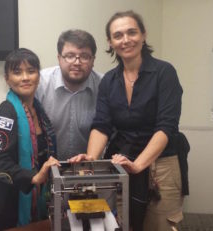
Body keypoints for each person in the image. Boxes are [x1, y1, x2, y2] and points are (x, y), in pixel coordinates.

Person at [69, 10, 184, 231]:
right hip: (122, 164)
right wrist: (91, 160)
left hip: (160, 166)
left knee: (160, 225)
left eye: (132, 32)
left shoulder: (164, 72)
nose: (126, 40)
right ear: (110, 42)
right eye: (118, 35)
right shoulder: (109, 81)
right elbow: (102, 125)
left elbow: (166, 127)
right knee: (123, 225)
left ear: (143, 35)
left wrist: (139, 164)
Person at [0, 48, 60, 231]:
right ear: (7, 79)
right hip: (8, 203)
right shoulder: (6, 112)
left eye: (31, 71)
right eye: (17, 72)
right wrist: (33, 177)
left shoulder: (39, 110)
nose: (25, 77)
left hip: (36, 196)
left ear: (38, 76)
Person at [35, 29, 102, 161]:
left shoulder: (104, 85)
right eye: (70, 56)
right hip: (46, 167)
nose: (77, 62)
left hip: (89, 168)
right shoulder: (40, 83)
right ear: (59, 58)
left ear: (93, 60)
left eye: (84, 56)